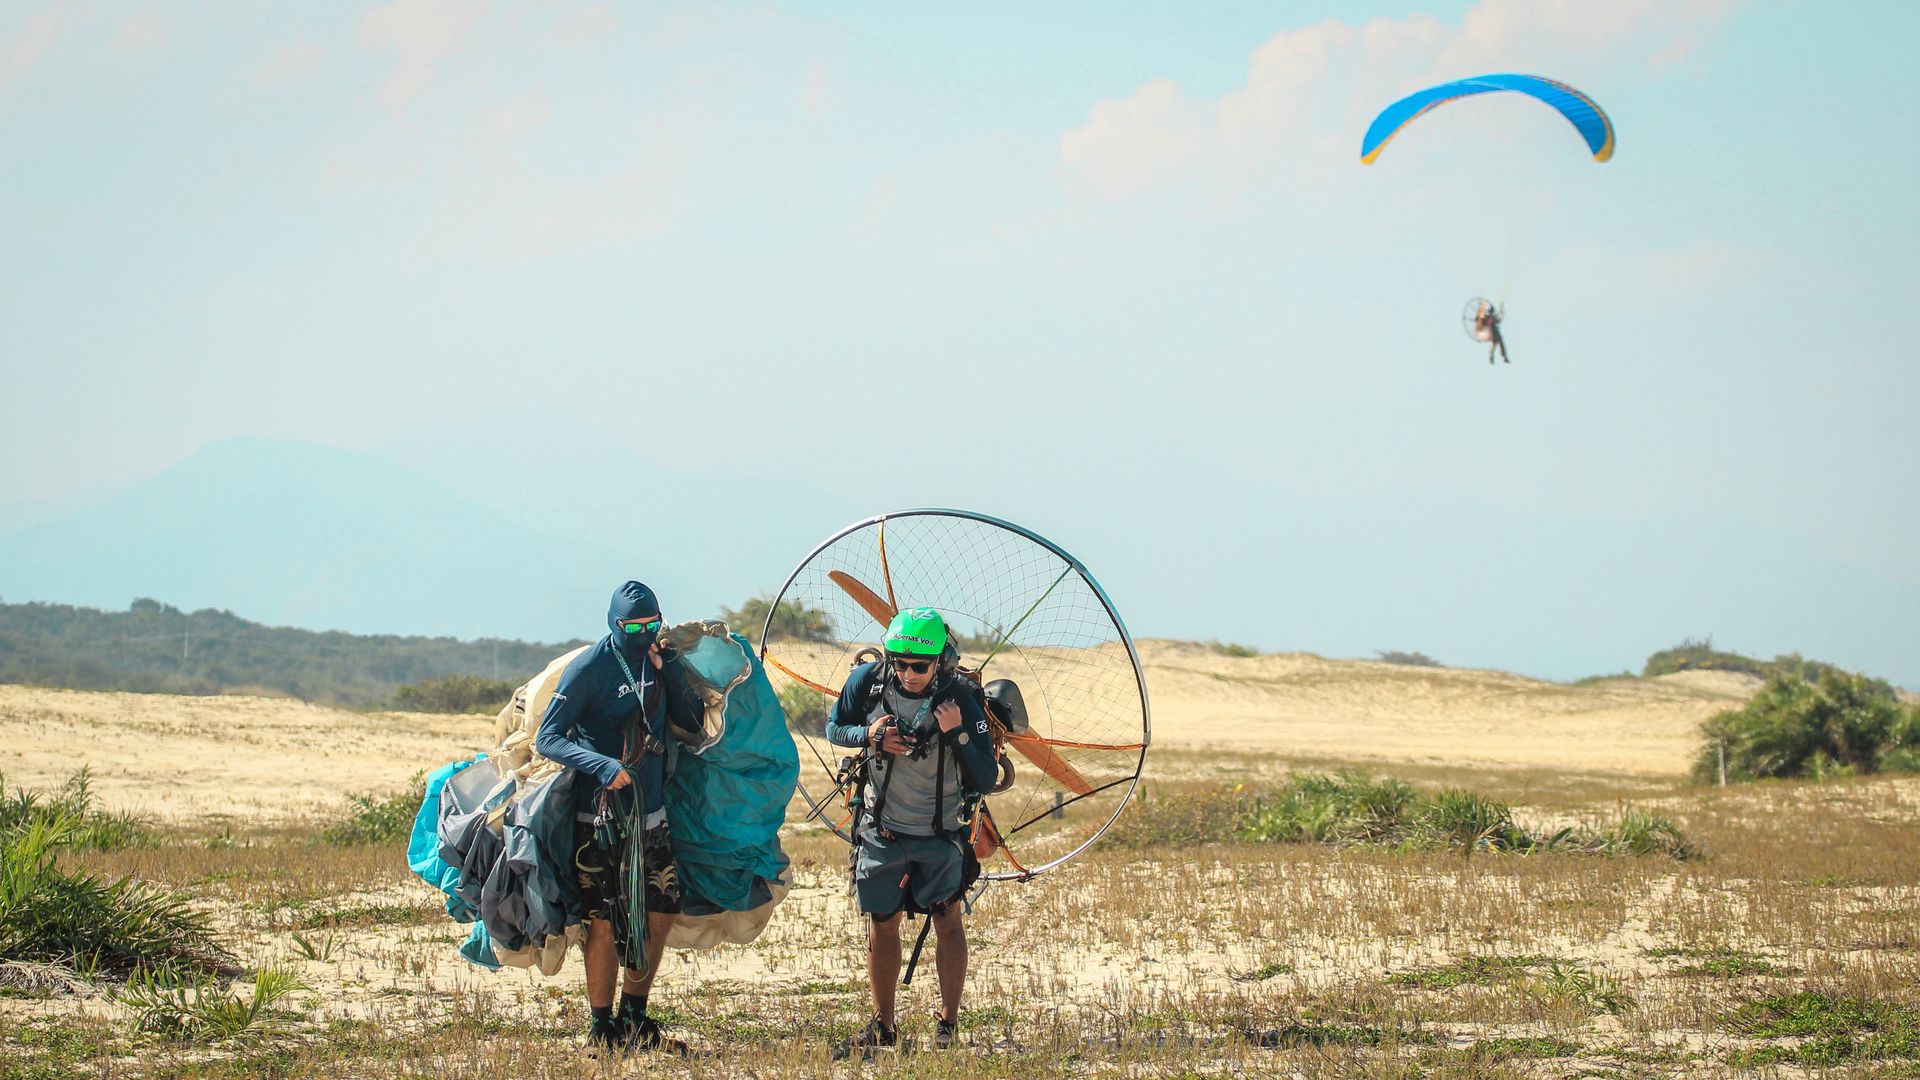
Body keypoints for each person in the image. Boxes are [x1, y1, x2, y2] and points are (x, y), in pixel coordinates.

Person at [535, 580, 706, 1054]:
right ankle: (600, 1027)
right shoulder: (589, 668)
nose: (644, 632)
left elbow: (692, 723)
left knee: (660, 914)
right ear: (614, 624)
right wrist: (602, 766)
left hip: (652, 816)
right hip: (601, 822)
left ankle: (635, 1017)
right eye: (634, 626)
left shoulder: (659, 659)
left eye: (652, 624)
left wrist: (669, 667)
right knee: (605, 923)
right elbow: (548, 738)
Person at [825, 608, 996, 1057]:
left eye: (919, 665)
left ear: (939, 660)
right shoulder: (868, 682)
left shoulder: (960, 695)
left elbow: (985, 775)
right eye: (898, 661)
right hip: (882, 832)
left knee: (948, 920)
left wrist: (956, 732)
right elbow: (833, 728)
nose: (908, 672)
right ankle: (882, 1025)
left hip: (940, 836)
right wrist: (871, 734)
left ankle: (948, 1025)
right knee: (882, 924)